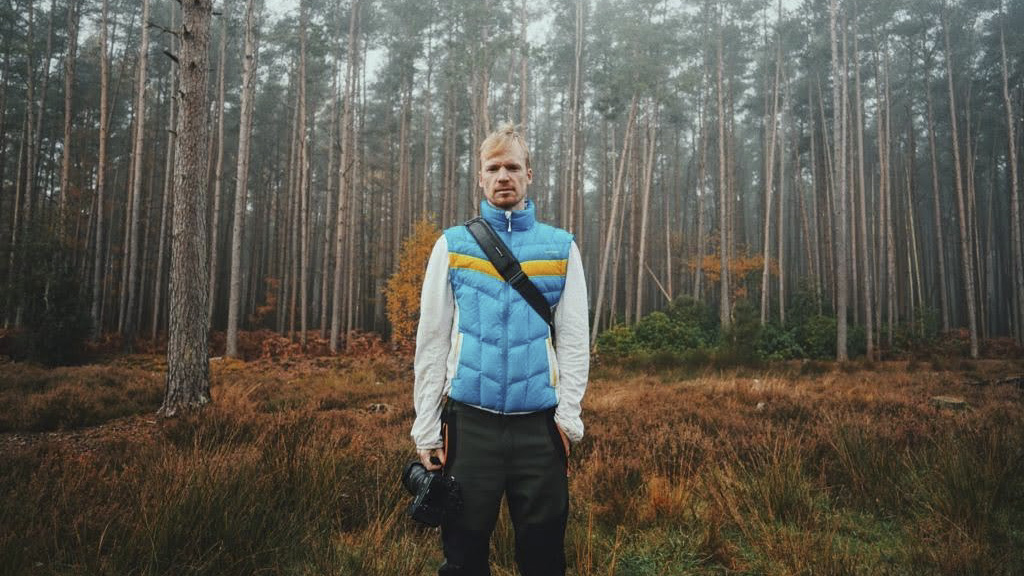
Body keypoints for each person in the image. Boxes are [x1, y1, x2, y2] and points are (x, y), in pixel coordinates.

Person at [411, 122, 590, 575]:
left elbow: (573, 340)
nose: (503, 176)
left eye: (512, 167)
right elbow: (431, 340)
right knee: (464, 555)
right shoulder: (452, 245)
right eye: (493, 167)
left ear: (529, 173)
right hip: (470, 426)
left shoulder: (560, 247)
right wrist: (426, 429)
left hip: (540, 430)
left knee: (544, 555)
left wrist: (567, 418)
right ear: (481, 177)